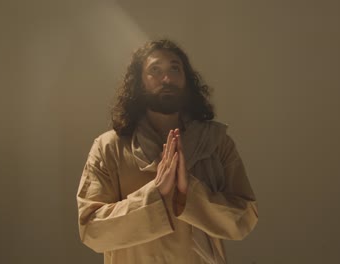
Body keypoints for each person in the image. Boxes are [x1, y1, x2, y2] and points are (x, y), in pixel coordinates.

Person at [76, 39, 258, 264]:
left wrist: (188, 192)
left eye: (175, 68)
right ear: (139, 82)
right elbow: (91, 230)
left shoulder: (216, 142)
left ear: (187, 80)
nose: (167, 78)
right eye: (155, 70)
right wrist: (154, 194)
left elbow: (244, 219)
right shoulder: (108, 147)